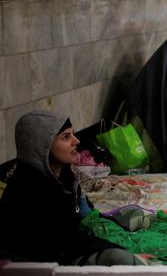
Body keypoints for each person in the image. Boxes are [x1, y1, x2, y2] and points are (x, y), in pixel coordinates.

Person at [0, 110, 145, 265]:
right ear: (42, 146)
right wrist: (124, 250)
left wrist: (110, 222)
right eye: (66, 137)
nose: (76, 141)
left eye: (73, 134)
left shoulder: (65, 177)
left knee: (134, 214)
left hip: (69, 243)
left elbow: (84, 216)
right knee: (119, 258)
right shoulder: (28, 191)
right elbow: (68, 240)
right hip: (46, 261)